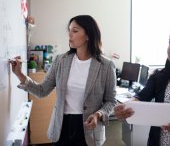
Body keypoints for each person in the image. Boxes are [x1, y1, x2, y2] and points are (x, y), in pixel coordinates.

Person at [10, 15, 117, 146]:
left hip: (89, 128)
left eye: (75, 31)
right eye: (69, 30)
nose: (70, 35)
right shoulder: (61, 60)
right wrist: (20, 75)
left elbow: (111, 101)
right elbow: (42, 90)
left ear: (88, 35)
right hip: (61, 126)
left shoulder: (106, 65)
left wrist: (98, 114)